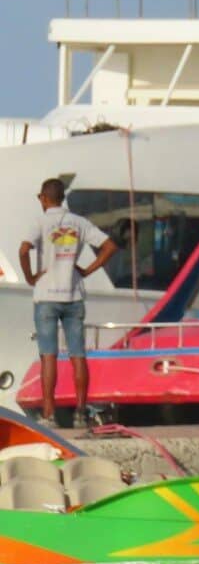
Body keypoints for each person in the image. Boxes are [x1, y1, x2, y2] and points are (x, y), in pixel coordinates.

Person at [20, 179, 117, 428]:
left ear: (43, 198)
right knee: (78, 355)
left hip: (46, 296)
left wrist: (31, 277)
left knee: (48, 356)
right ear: (62, 197)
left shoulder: (40, 222)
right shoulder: (79, 222)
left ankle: (49, 413)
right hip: (73, 295)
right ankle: (81, 413)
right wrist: (86, 271)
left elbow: (23, 250)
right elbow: (109, 246)